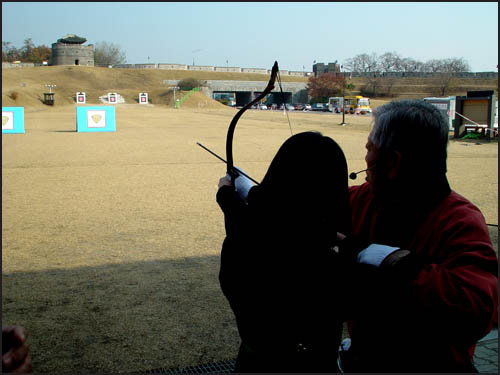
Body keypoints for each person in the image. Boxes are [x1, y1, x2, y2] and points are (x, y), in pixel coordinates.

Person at [338, 99, 498, 373]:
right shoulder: (366, 199)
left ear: (393, 162)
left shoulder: (459, 220)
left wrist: (378, 256)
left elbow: (477, 309)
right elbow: (313, 205)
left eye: (370, 150)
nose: (365, 159)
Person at [216, 131, 351, 372]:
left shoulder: (240, 250)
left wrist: (228, 197)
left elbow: (256, 231)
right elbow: (299, 230)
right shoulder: (334, 263)